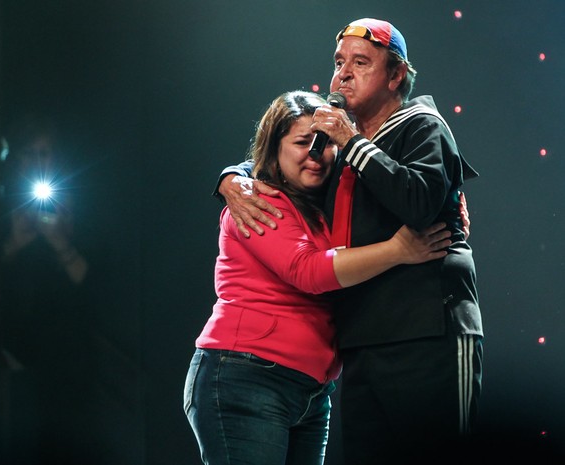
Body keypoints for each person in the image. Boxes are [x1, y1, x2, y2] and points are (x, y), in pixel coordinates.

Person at [216, 18, 483, 465]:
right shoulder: (344, 149)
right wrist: (231, 177)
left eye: (361, 63)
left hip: (427, 334)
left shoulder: (421, 126)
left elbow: (417, 204)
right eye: (340, 63)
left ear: (396, 75)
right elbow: (290, 160)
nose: (343, 74)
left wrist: (353, 142)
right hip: (362, 341)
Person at [184, 90, 452, 465]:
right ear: (273, 147)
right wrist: (399, 250)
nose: (315, 153)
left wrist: (448, 208)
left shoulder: (329, 205)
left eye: (324, 143)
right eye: (300, 142)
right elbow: (307, 271)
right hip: (245, 374)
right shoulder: (258, 200)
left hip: (312, 389)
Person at [0, 115, 94, 464]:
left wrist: (60, 244)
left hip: (66, 360)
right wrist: (13, 242)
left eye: (45, 153)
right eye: (30, 154)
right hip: (11, 355)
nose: (39, 162)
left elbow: (94, 286)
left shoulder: (73, 205)